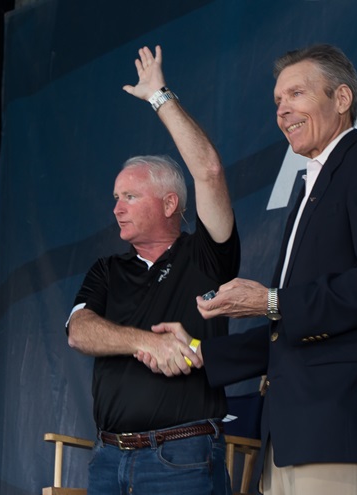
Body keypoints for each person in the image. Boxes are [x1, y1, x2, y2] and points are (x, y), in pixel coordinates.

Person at [144, 44, 357, 495]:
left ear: (342, 98)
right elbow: (288, 328)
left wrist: (271, 301)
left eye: (296, 94)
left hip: (338, 424)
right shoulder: (309, 186)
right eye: (277, 101)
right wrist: (198, 350)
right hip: (290, 434)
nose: (283, 109)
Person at [66, 45, 239, 495]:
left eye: (130, 197)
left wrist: (159, 97)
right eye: (115, 198)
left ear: (169, 204)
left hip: (180, 457)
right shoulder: (106, 269)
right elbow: (79, 331)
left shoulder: (205, 255)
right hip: (107, 460)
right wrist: (146, 342)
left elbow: (210, 171)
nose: (116, 208)